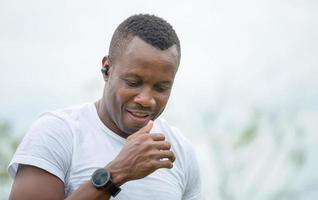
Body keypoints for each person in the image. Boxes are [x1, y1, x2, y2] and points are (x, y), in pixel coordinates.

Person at [8, 14, 201, 200]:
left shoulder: (181, 151)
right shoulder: (57, 133)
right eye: (133, 82)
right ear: (107, 69)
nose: (146, 99)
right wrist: (117, 173)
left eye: (161, 88)